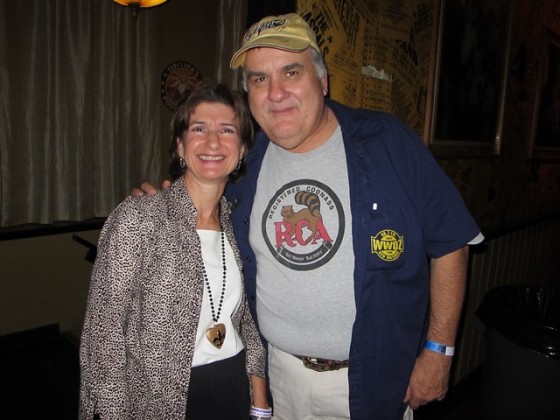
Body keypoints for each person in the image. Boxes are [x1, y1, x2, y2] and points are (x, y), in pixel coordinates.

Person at [135, 13, 483, 420]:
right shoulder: (245, 163)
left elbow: (451, 240)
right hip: (274, 379)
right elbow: (199, 207)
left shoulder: (387, 141)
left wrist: (439, 351)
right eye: (259, 80)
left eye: (290, 71)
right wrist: (159, 203)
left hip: (372, 382)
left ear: (322, 80)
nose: (276, 92)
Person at [79, 81, 269, 419]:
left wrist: (259, 397)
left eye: (227, 130)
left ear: (241, 150)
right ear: (180, 146)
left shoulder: (238, 223)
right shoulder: (139, 218)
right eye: (199, 129)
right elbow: (103, 338)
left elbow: (244, 321)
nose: (213, 141)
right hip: (161, 401)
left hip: (231, 388)